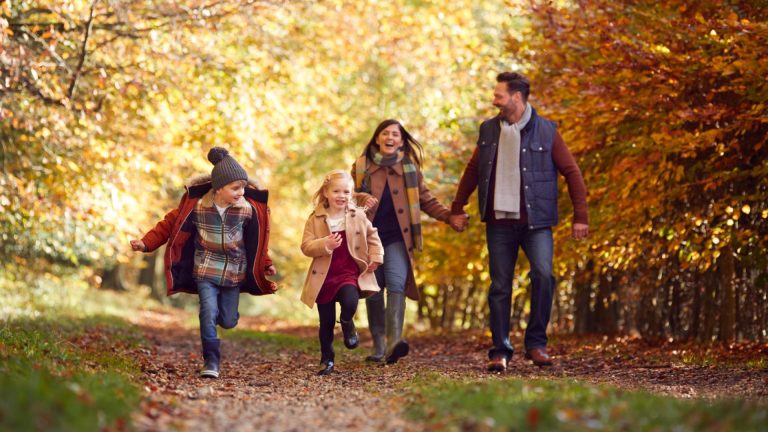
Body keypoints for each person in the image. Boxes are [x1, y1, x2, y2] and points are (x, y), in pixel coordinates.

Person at [451, 72, 589, 371]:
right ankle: (499, 351)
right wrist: (457, 206)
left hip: (536, 222)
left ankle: (536, 344)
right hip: (499, 222)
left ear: (516, 97)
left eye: (499, 95)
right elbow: (473, 169)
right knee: (500, 285)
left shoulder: (546, 130)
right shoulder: (489, 130)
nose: (494, 100)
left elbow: (572, 172)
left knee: (543, 276)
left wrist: (581, 216)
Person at [130, 147, 277, 379]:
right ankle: (211, 360)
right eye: (236, 188)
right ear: (218, 188)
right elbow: (169, 225)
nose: (242, 192)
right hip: (205, 268)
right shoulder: (198, 207)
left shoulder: (246, 210)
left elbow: (257, 242)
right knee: (207, 312)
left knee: (227, 321)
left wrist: (265, 263)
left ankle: (225, 317)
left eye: (244, 187)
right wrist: (146, 243)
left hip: (233, 272)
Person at [353, 119, 468, 364]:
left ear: (402, 141)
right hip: (369, 238)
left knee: (396, 284)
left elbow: (426, 201)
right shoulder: (362, 165)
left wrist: (449, 216)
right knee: (374, 290)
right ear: (377, 138)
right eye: (385, 133)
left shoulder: (410, 170)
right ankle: (379, 344)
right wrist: (361, 197)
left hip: (397, 239)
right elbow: (346, 196)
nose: (390, 137)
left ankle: (394, 343)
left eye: (395, 134)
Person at [300, 170, 384, 375]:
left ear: (352, 194)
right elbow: (306, 246)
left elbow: (373, 237)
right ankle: (326, 359)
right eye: (336, 191)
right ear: (326, 192)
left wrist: (376, 256)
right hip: (324, 276)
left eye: (346, 192)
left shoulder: (358, 216)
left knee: (350, 301)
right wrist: (324, 244)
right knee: (326, 323)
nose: (341, 196)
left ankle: (347, 322)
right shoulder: (316, 218)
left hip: (348, 272)